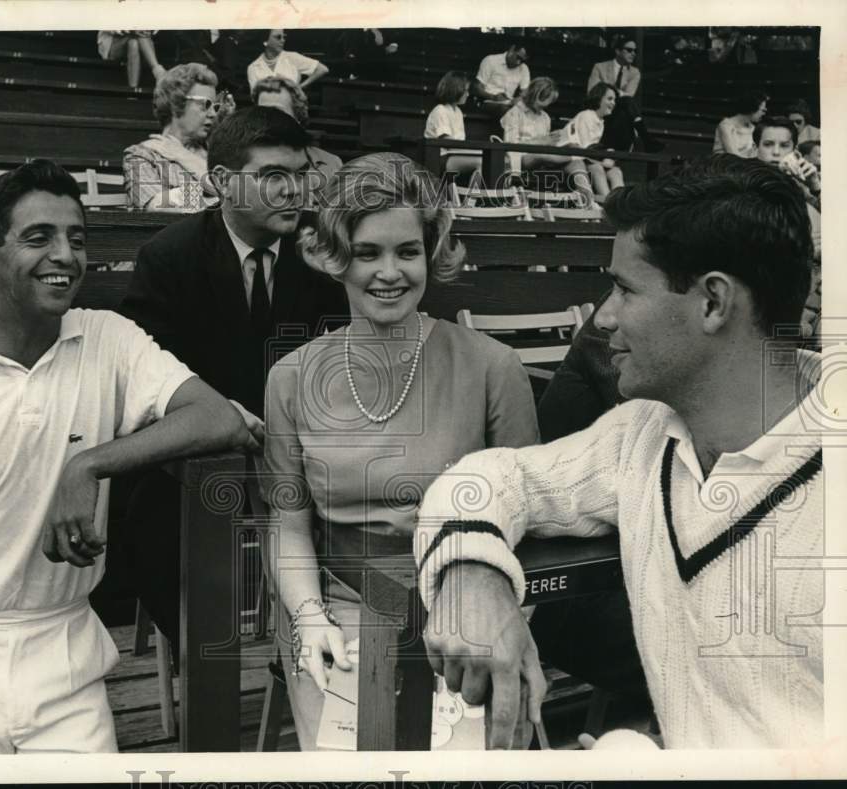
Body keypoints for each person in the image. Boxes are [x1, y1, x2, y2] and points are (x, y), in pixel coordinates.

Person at [414, 155, 823, 749]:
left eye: (625, 289)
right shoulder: (643, 432)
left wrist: (632, 758)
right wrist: (470, 574)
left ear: (713, 303)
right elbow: (490, 478)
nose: (602, 316)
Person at [0, 159, 250, 755]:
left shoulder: (106, 337)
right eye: (38, 237)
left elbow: (217, 417)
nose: (65, 256)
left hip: (66, 648)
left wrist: (88, 464)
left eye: (76, 238)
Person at [261, 152, 539, 750]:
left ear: (431, 254)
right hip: (338, 612)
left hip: (462, 613)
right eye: (367, 253)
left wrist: (490, 621)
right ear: (335, 256)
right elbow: (287, 521)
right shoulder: (290, 377)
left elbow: (528, 516)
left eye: (407, 251)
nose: (389, 273)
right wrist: (308, 617)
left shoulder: (494, 367)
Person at [116, 107, 349, 645]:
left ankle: (320, 644)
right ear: (222, 181)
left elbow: (338, 358)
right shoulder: (169, 256)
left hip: (300, 448)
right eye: (273, 176)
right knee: (155, 510)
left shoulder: (319, 254)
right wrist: (218, 414)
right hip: (201, 450)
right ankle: (200, 651)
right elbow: (144, 373)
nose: (293, 191)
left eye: (301, 174)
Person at [122, 63, 233, 212]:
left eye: (215, 107)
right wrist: (217, 198)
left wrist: (182, 155)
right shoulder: (142, 155)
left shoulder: (213, 153)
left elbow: (239, 196)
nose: (213, 114)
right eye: (205, 104)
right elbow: (158, 207)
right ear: (176, 104)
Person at [251, 75, 343, 185]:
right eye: (262, 112)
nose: (268, 119)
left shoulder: (332, 164)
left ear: (298, 117)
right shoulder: (243, 163)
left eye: (278, 112)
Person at [588, 36, 664, 153]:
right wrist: (616, 91)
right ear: (618, 51)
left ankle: (617, 151)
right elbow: (592, 92)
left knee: (625, 109)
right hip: (600, 107)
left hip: (619, 108)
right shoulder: (600, 67)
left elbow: (628, 95)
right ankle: (646, 138)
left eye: (635, 51)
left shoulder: (634, 72)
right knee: (627, 107)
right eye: (629, 50)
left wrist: (606, 88)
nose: (633, 53)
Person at [499, 76, 564, 176]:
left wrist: (553, 139)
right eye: (541, 104)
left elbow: (545, 142)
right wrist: (540, 142)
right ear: (533, 95)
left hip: (542, 156)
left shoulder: (545, 117)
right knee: (545, 156)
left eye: (548, 104)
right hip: (520, 157)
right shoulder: (514, 113)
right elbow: (511, 145)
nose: (544, 107)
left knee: (575, 161)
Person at [571, 82, 624, 198]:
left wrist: (608, 156)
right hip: (575, 160)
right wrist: (604, 159)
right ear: (598, 98)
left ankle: (620, 203)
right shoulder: (586, 115)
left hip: (590, 159)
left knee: (616, 171)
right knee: (597, 168)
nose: (613, 103)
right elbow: (585, 150)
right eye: (609, 99)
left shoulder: (600, 121)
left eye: (614, 100)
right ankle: (607, 202)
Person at [425, 71, 480, 180]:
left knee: (488, 160)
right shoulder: (440, 110)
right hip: (440, 158)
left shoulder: (458, 112)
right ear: (455, 90)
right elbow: (448, 143)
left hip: (455, 155)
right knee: (481, 161)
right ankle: (473, 192)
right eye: (465, 90)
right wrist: (475, 150)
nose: (468, 94)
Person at [246, 29, 329, 91]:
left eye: (284, 37)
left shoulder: (292, 57)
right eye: (278, 37)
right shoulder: (253, 67)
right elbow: (255, 96)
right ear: (265, 41)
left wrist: (299, 88)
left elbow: (322, 69)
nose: (282, 40)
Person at [473, 40, 530, 117]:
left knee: (528, 112)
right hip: (487, 101)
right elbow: (476, 88)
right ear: (512, 49)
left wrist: (518, 99)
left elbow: (525, 93)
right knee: (508, 111)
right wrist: (493, 97)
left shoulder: (524, 68)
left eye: (522, 61)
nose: (518, 62)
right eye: (518, 57)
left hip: (509, 104)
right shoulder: (491, 60)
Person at [96, 30, 166, 89]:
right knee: (137, 36)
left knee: (133, 43)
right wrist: (132, 30)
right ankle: (159, 72)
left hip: (140, 44)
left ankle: (133, 91)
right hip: (112, 44)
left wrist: (148, 30)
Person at [712, 89, 768, 158]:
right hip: (724, 162)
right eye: (763, 110)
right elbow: (733, 155)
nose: (764, 114)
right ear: (752, 108)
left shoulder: (752, 128)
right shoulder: (726, 126)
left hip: (744, 162)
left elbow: (753, 154)